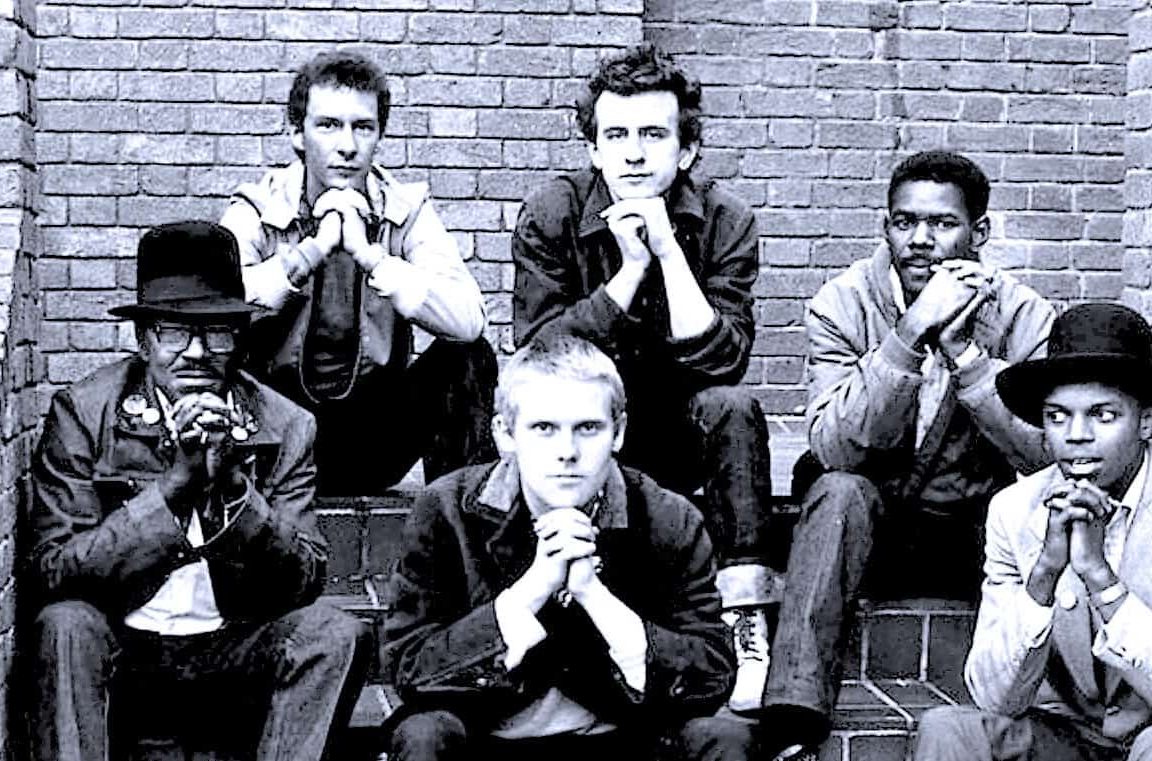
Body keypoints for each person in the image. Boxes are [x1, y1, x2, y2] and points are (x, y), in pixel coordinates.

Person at [22, 221, 372, 761]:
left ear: (237, 339)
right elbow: (52, 569)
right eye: (172, 331)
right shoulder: (86, 412)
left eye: (217, 332)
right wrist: (172, 489)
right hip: (125, 648)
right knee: (63, 624)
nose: (196, 352)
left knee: (335, 632)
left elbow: (304, 579)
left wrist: (234, 489)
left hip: (231, 650)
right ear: (143, 340)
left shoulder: (285, 423)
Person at [756, 151, 1057, 759]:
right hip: (872, 527)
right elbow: (835, 444)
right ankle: (791, 721)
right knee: (836, 488)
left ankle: (1027, 714)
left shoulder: (1024, 317)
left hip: (967, 529)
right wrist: (907, 335)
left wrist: (969, 363)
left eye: (942, 224)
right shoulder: (842, 302)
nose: (919, 240)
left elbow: (1042, 454)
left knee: (1039, 507)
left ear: (980, 233)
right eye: (903, 222)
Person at [511, 44, 778, 711]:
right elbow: (537, 355)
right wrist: (628, 273)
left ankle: (742, 614)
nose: (634, 154)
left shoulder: (726, 218)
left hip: (675, 427)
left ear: (686, 151)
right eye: (616, 135)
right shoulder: (553, 211)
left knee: (733, 406)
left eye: (654, 135)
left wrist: (665, 249)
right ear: (594, 148)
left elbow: (723, 357)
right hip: (585, 433)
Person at [914, 302, 1152, 761]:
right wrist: (1045, 573)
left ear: (1146, 422)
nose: (1076, 435)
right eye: (1057, 416)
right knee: (949, 730)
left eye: (1103, 416)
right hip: (1075, 732)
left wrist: (1101, 578)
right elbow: (996, 698)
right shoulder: (1015, 511)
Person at [381, 334, 753, 761]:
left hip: (623, 738)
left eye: (588, 428)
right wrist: (530, 591)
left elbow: (713, 672)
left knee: (725, 739)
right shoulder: (447, 510)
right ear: (505, 434)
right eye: (544, 429)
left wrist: (594, 596)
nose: (567, 452)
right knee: (423, 734)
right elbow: (410, 667)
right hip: (488, 739)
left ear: (619, 432)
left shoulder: (667, 517)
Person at [220, 50, 494, 496]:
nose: (347, 145)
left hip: (372, 436)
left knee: (469, 356)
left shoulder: (406, 210)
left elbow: (467, 320)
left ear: (378, 136)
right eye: (328, 125)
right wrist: (312, 251)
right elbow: (215, 310)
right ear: (296, 134)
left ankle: (457, 529)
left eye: (363, 127)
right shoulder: (258, 206)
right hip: (273, 439)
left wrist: (371, 256)